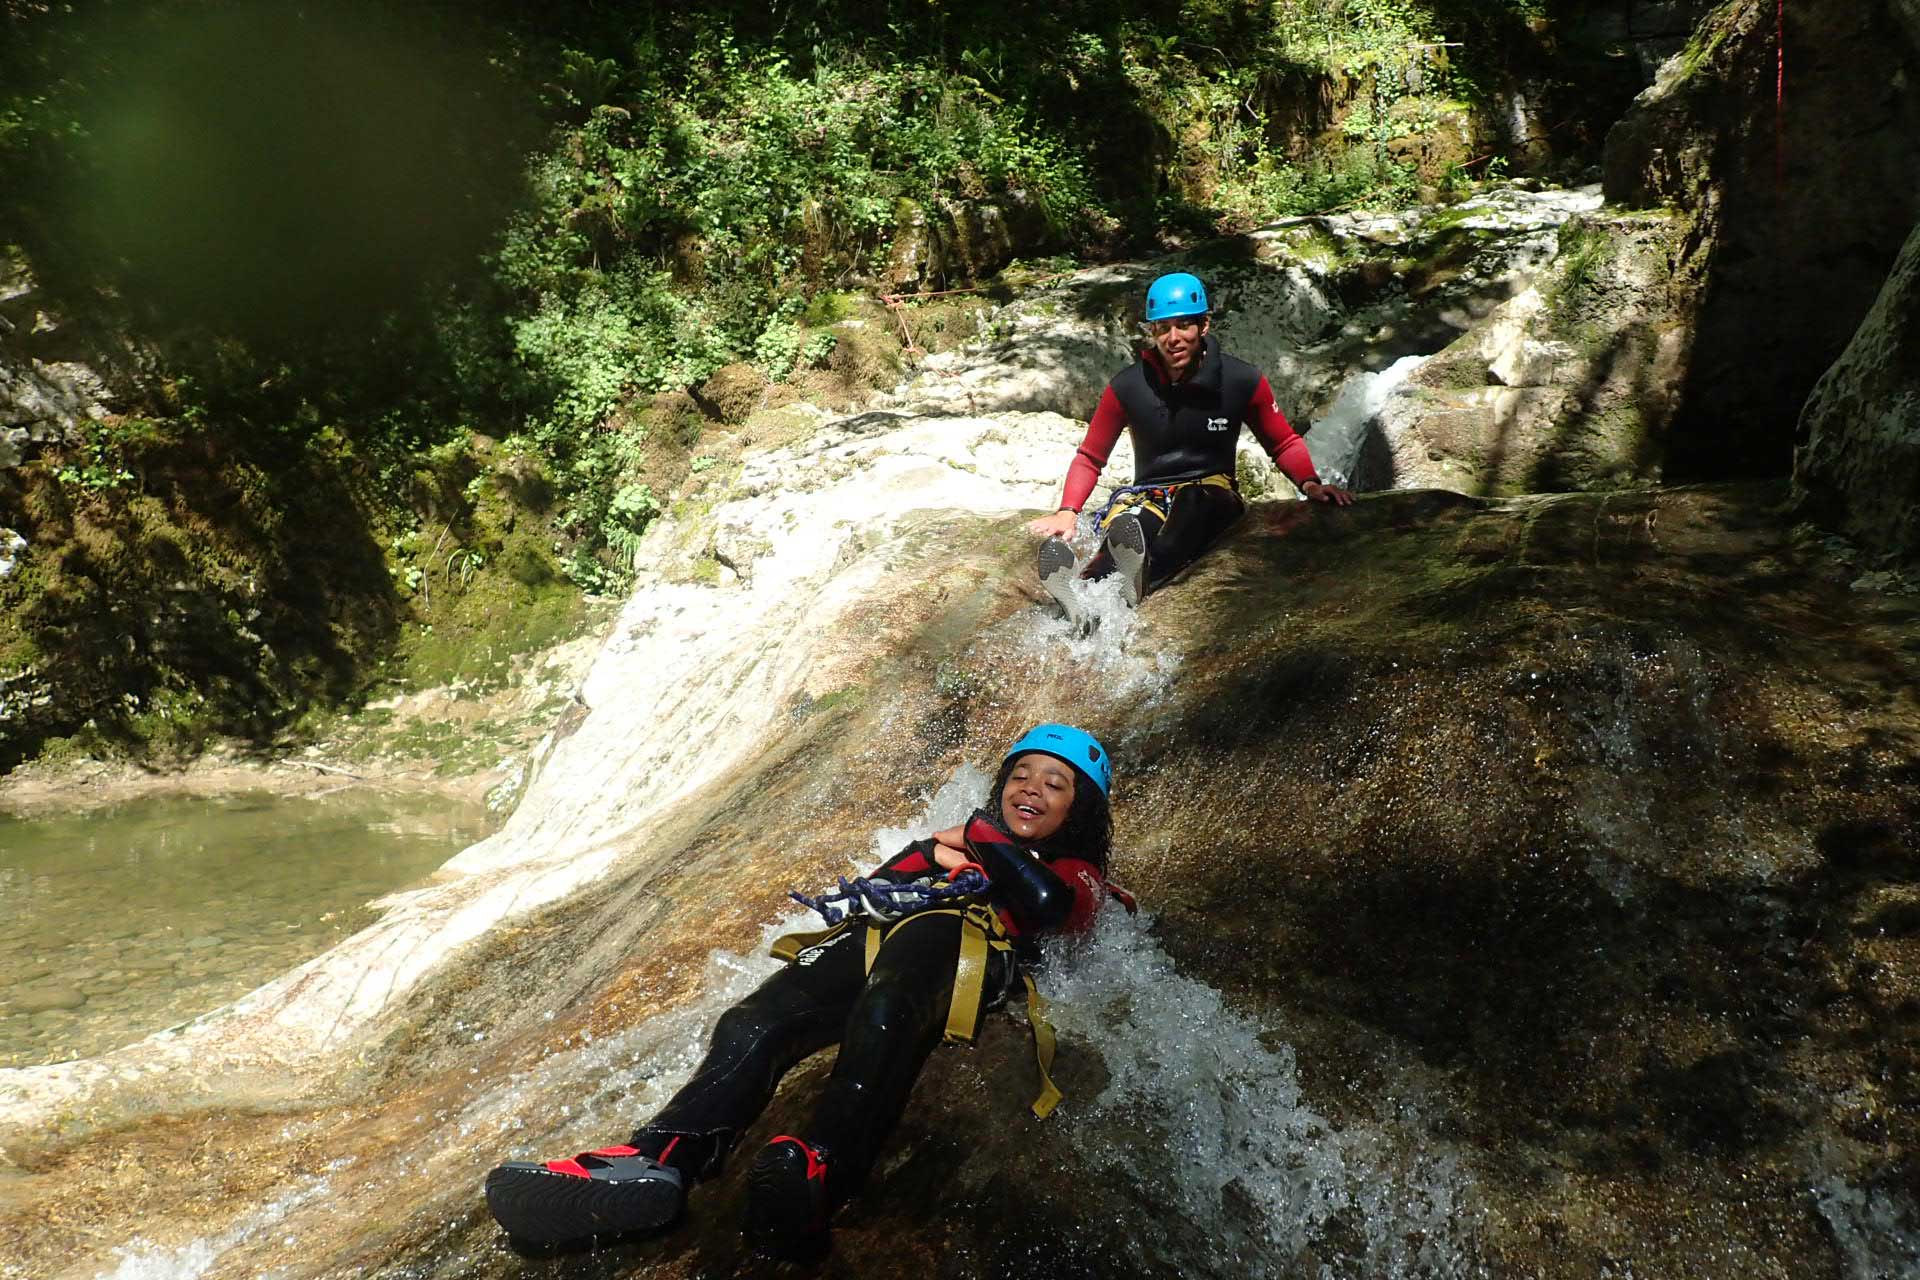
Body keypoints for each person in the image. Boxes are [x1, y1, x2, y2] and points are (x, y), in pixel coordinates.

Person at [484, 724, 1126, 1260]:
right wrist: (935, 848)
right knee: (753, 1020)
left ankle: (820, 1169)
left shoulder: (1077, 871)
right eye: (1021, 774)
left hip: (964, 946)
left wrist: (978, 837)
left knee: (884, 1012)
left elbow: (1046, 903)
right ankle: (660, 1155)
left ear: (1079, 810)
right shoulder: (966, 845)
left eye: (1054, 783)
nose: (1030, 789)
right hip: (888, 932)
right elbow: (883, 880)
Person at [1028, 271, 1353, 614]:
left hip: (1212, 494)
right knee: (1132, 525)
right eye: (1163, 328)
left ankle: (1143, 579)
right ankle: (1082, 594)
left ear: (1204, 326)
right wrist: (1068, 511)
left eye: (1184, 325)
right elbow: (1090, 458)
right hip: (1149, 495)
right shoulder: (1127, 386)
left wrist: (1310, 483)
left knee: (1193, 501)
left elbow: (1283, 442)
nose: (1174, 338)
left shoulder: (1242, 380)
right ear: (1151, 331)